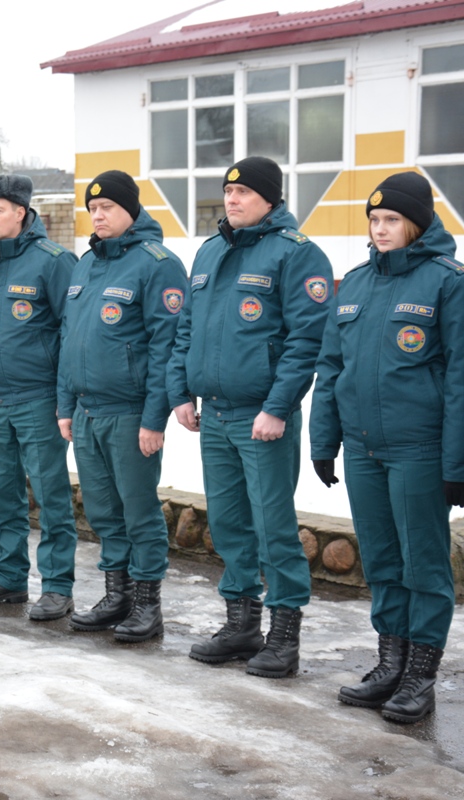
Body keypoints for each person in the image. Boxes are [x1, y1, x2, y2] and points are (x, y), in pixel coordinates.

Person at [311, 172, 464, 723]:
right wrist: (324, 439)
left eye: (391, 220)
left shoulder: (454, 283)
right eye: (374, 219)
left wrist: (457, 462)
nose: (380, 229)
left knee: (423, 566)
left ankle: (420, 677)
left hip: (419, 450)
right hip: (364, 449)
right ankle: (390, 662)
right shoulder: (357, 283)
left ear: (416, 222)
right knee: (384, 561)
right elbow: (331, 366)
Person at [167, 156, 332, 678]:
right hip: (214, 415)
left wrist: (277, 407)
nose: (232, 199)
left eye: (243, 191)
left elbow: (307, 342)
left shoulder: (297, 255)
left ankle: (284, 637)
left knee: (273, 527)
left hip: (262, 418)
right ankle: (241, 624)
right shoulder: (210, 252)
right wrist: (180, 394)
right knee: (231, 524)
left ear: (270, 198)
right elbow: (185, 332)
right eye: (227, 190)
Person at [54, 170, 187, 639]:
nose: (98, 216)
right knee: (104, 511)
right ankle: (117, 594)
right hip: (88, 412)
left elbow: (166, 348)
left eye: (107, 207)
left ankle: (147, 604)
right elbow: (70, 340)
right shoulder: (86, 265)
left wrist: (155, 418)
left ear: (131, 210)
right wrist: (65, 404)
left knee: (138, 510)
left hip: (131, 413)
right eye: (93, 209)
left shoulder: (157, 264)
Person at [0, 173, 80, 621]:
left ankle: (57, 586)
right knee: (2, 493)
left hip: (38, 398)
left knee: (49, 493)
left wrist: (64, 400)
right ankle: (9, 577)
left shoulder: (53, 261)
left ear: (22, 212)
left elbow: (73, 335)